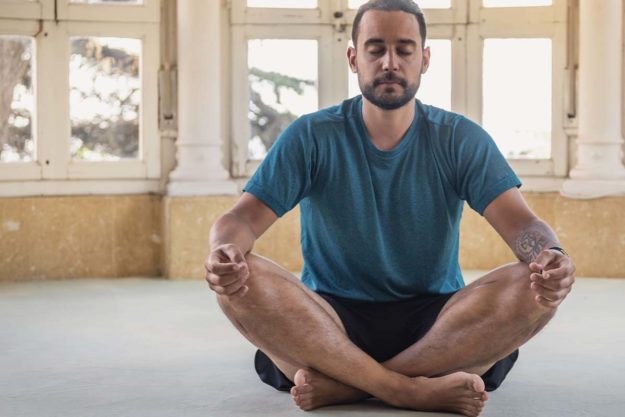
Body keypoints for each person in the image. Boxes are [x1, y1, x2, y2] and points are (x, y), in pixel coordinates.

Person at [204, 1, 576, 416]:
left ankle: (348, 385)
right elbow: (240, 219)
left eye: (405, 49)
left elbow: (522, 223)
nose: (390, 62)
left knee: (535, 287)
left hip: (437, 324)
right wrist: (225, 252)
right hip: (328, 320)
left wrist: (550, 257)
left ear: (425, 58)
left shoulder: (460, 139)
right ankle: (406, 390)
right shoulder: (311, 135)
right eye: (375, 48)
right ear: (353, 57)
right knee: (240, 282)